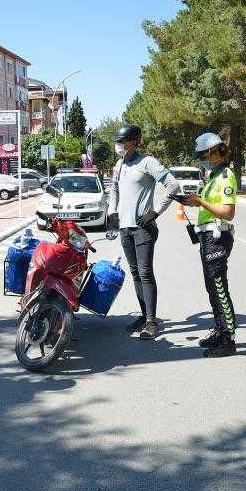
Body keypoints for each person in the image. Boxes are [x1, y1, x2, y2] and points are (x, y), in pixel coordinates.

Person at [107, 124, 181, 339]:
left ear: (133, 142)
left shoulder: (147, 162)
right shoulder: (118, 165)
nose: (118, 145)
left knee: (145, 272)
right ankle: (143, 315)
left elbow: (173, 186)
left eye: (122, 142)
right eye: (117, 142)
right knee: (135, 273)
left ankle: (151, 321)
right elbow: (114, 190)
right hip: (125, 229)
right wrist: (112, 211)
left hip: (143, 228)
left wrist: (155, 212)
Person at [181, 132, 239, 357]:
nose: (203, 158)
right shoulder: (213, 176)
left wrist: (200, 201)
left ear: (216, 152)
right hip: (207, 238)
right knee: (211, 287)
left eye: (205, 154)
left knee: (219, 287)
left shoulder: (226, 176)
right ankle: (219, 329)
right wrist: (195, 202)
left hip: (217, 238)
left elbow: (228, 212)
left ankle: (228, 340)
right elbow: (209, 206)